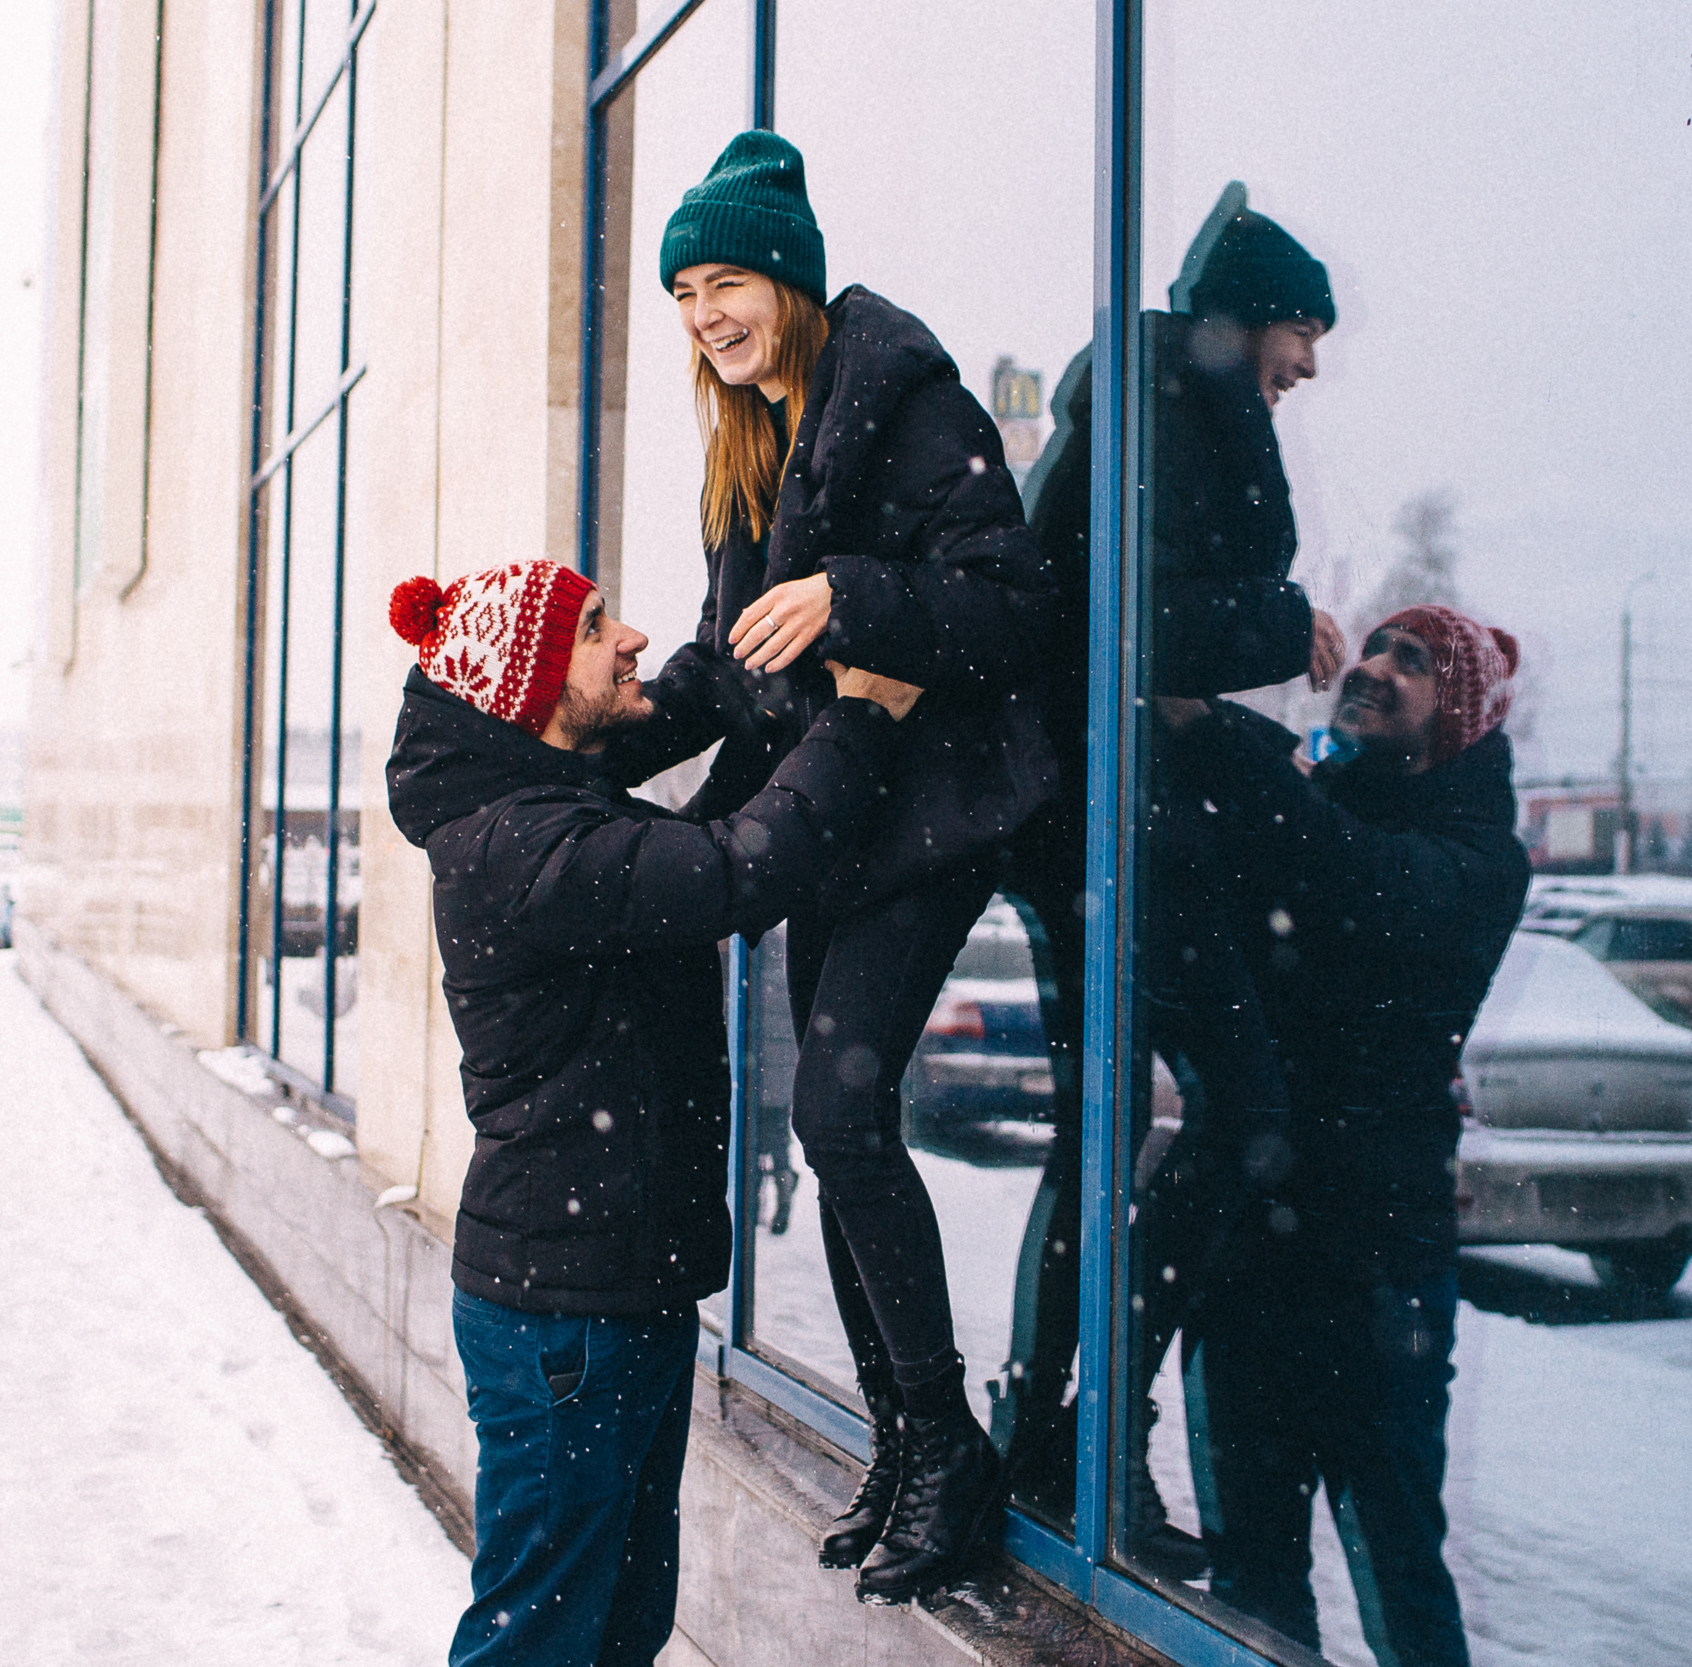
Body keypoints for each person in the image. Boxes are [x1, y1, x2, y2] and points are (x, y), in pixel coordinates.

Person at [599, 131, 1060, 1604]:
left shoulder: (906, 403)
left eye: (723, 283)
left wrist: (849, 595)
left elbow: (1014, 607)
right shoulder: (751, 441)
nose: (703, 317)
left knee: (840, 1108)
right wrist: (602, 743)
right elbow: (730, 657)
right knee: (831, 1126)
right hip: (836, 813)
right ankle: (906, 1438)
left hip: (936, 807)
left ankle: (948, 1443)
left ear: (787, 280)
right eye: (683, 295)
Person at [382, 558, 922, 1666]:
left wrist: (757, 628)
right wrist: (862, 712)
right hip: (567, 1322)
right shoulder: (523, 845)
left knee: (617, 1625)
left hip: (604, 1293)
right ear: (533, 690)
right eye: (593, 628)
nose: (627, 635)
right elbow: (732, 869)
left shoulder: (537, 799)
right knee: (541, 1637)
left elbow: (677, 775)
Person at [989, 185, 1342, 1548]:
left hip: (1094, 813)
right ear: (1251, 317)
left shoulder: (1149, 401)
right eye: (1303, 335)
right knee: (1235, 1108)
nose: (1308, 366)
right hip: (1108, 822)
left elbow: (1124, 628)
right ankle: (1084, 1435)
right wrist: (1285, 624)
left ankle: (1053, 1436)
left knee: (1106, 1128)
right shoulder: (1169, 408)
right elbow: (1126, 620)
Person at [1158, 604, 1532, 1666]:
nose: (1370, 668)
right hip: (1255, 1254)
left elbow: (1354, 876)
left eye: (1410, 662)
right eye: (1371, 647)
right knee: (1251, 1579)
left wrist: (1207, 725)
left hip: (1379, 1273)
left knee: (1398, 1567)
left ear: (1456, 712)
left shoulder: (1477, 859)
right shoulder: (1317, 793)